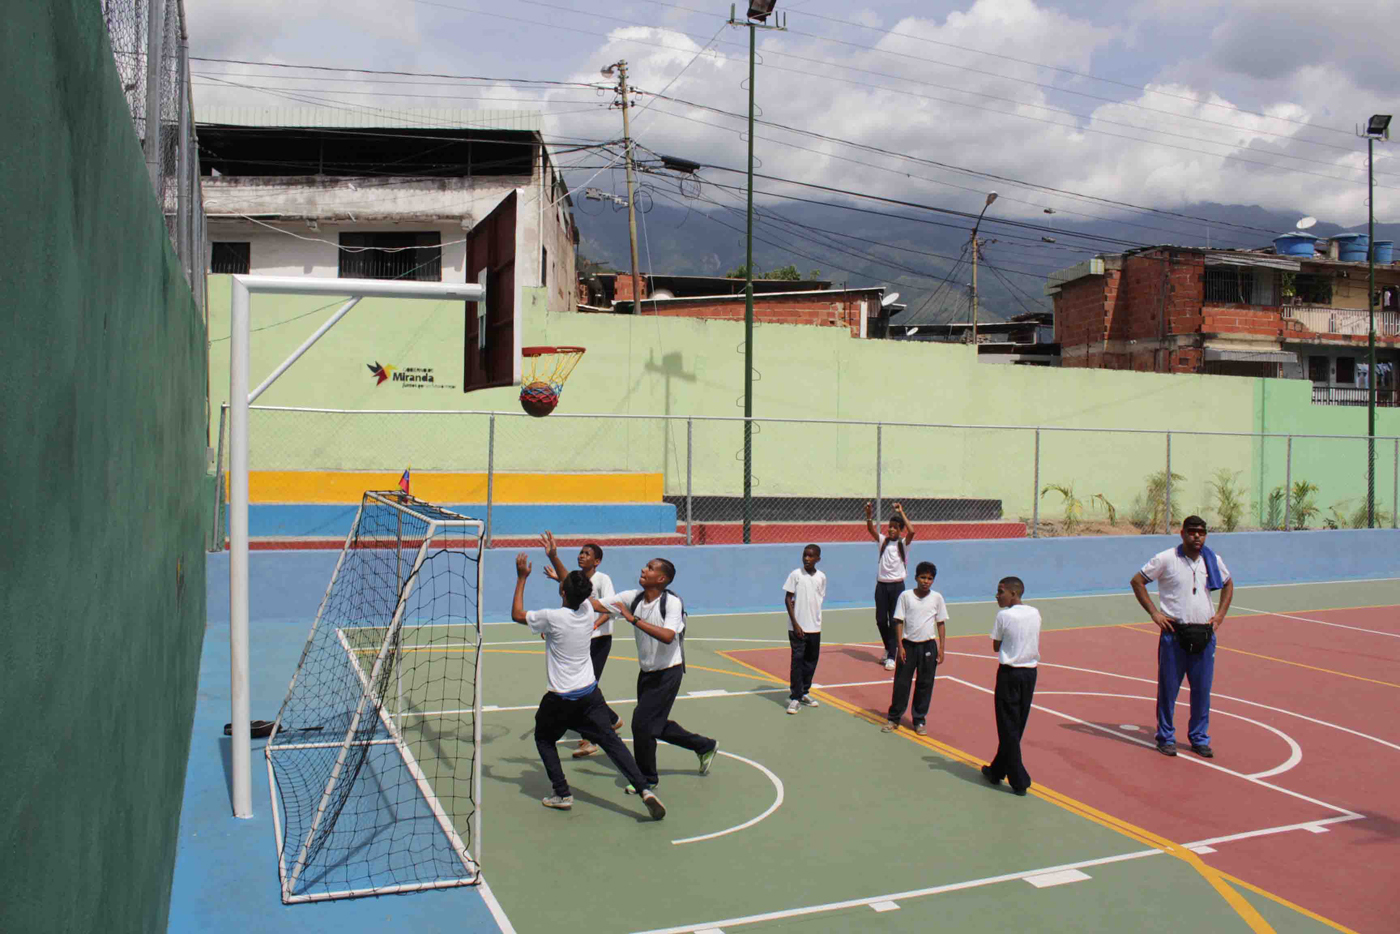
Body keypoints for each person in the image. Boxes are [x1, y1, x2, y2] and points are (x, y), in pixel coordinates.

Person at [510, 552, 665, 820]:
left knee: (544, 738)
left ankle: (562, 792)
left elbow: (516, 614)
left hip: (561, 698)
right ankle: (644, 790)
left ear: (562, 592)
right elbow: (571, 583)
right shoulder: (586, 609)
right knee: (612, 743)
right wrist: (555, 559)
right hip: (590, 694)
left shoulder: (552, 617)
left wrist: (522, 578)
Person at [597, 558, 718, 791]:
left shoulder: (671, 603)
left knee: (641, 724)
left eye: (650, 568)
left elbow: (667, 635)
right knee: (655, 725)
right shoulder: (633, 597)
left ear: (661, 579)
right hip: (647, 673)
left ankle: (647, 778)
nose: (644, 569)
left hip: (668, 673)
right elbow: (594, 604)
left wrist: (633, 619)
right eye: (645, 566)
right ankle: (704, 746)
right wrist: (566, 580)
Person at [1130, 516, 1234, 759]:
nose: (1197, 536)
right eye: (1192, 531)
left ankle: (1199, 737)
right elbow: (1137, 581)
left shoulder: (1212, 559)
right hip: (1174, 635)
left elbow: (1228, 584)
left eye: (1201, 532)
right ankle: (1165, 737)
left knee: (1202, 690)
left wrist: (1219, 616)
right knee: (1168, 690)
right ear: (1182, 533)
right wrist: (1155, 613)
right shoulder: (1166, 558)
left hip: (1204, 636)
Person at [540, 532, 621, 759]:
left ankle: (594, 737)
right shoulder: (576, 580)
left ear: (597, 561)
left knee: (588, 686)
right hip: (582, 640)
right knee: (586, 687)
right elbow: (568, 604)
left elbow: (611, 607)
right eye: (580, 552)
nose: (582, 556)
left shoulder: (603, 580)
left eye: (587, 554)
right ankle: (610, 721)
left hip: (599, 639)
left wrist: (595, 624)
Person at [980, 577, 1041, 796]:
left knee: (1007, 726)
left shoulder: (1003, 615)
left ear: (1013, 593)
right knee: (1017, 724)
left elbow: (996, 646)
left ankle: (1019, 779)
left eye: (1000, 591)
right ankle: (996, 770)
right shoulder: (1034, 612)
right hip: (1030, 673)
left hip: (1010, 673)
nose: (997, 595)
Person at [882, 561, 946, 736]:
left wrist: (941, 649)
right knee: (901, 684)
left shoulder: (937, 598)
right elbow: (899, 621)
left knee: (925, 684)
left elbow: (940, 623)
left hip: (928, 646)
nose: (926, 581)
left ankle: (919, 720)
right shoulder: (906, 596)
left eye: (930, 578)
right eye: (923, 577)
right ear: (916, 577)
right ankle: (894, 718)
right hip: (908, 647)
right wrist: (900, 646)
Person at [865, 501, 915, 671]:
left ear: (900, 530)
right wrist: (869, 515)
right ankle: (889, 648)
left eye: (895, 527)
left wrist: (901, 513)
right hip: (881, 586)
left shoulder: (903, 544)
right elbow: (871, 530)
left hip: (897, 587)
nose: (891, 529)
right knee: (880, 619)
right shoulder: (883, 541)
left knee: (895, 622)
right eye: (890, 527)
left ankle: (892, 657)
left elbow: (913, 531)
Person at [782, 544, 827, 715]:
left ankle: (804, 693)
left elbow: (819, 598)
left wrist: (814, 621)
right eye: (805, 555)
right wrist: (796, 624)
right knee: (797, 662)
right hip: (797, 628)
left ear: (818, 559)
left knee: (811, 662)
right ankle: (794, 698)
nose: (807, 558)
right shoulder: (796, 575)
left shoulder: (822, 577)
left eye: (811, 556)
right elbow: (788, 599)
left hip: (814, 627)